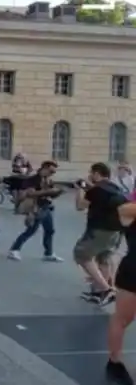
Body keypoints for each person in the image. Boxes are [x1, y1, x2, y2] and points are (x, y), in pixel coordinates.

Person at [74, 163, 126, 306]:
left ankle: (106, 289)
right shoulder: (115, 188)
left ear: (97, 174)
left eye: (92, 173)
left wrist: (79, 190)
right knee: (104, 258)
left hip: (99, 230)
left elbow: (80, 206)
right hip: (116, 231)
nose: (90, 175)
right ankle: (98, 293)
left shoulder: (96, 190)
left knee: (82, 255)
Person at [105, 196, 136, 383]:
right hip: (134, 270)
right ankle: (114, 361)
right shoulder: (131, 211)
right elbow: (123, 209)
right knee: (123, 317)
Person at [8, 161, 64, 262]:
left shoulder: (48, 180)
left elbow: (50, 194)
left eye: (54, 172)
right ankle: (14, 249)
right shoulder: (33, 180)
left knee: (50, 230)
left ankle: (48, 253)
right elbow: (28, 194)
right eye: (51, 171)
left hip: (47, 206)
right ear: (44, 168)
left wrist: (57, 193)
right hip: (36, 207)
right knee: (31, 230)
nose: (52, 174)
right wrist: (48, 192)